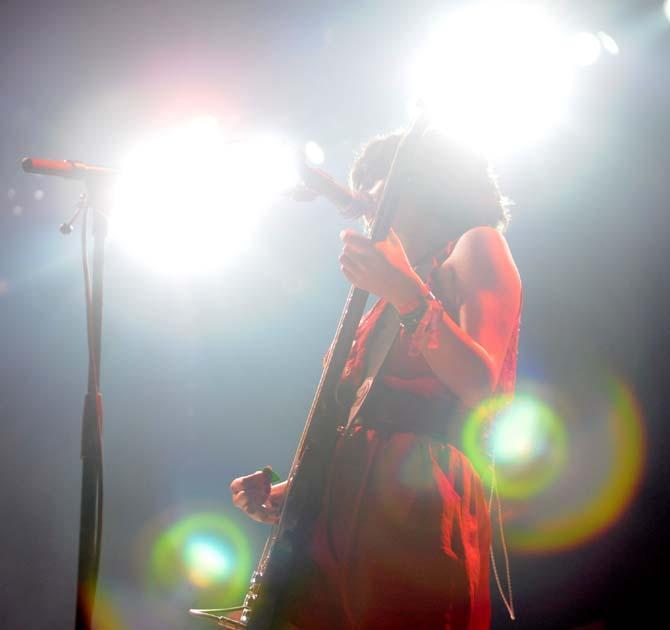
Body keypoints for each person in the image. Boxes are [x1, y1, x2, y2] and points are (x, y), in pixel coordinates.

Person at [230, 129, 522, 629]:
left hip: (417, 510)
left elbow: (480, 384)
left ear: (422, 182)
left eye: (374, 184)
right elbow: (363, 412)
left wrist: (405, 291)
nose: (364, 202)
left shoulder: (476, 245)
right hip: (337, 523)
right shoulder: (384, 296)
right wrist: (289, 492)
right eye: (358, 187)